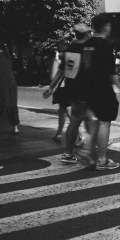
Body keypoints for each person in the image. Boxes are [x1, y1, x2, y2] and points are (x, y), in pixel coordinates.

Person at [78, 16, 120, 170]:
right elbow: (111, 74)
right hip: (102, 88)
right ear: (106, 27)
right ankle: (102, 159)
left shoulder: (86, 44)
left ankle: (89, 152)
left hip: (88, 88)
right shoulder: (105, 46)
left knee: (94, 121)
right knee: (104, 122)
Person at [43, 24, 93, 164]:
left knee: (76, 120)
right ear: (88, 34)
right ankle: (94, 151)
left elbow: (61, 71)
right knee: (92, 120)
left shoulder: (67, 50)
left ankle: (68, 153)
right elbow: (90, 72)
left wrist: (51, 87)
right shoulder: (87, 50)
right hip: (84, 90)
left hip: (71, 90)